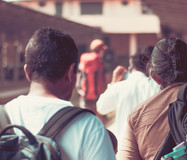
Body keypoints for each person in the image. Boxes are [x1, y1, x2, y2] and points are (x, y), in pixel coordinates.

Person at [3, 27, 115, 160]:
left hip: (85, 95)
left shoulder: (2, 117)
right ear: (70, 72)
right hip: (95, 96)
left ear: (27, 72)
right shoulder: (89, 126)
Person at [96, 46, 161, 150]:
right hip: (149, 148)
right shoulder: (155, 86)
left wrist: (113, 82)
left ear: (130, 69)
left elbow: (101, 107)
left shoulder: (119, 87)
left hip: (124, 147)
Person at [78, 38, 108, 119]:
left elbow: (79, 76)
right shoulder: (99, 61)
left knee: (85, 120)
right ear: (100, 50)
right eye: (103, 50)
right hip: (97, 97)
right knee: (100, 121)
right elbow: (105, 80)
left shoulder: (84, 58)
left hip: (84, 96)